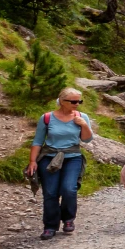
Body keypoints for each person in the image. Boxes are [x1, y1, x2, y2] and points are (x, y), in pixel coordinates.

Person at [26, 88, 93, 240]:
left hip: (73, 157)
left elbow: (87, 139)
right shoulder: (47, 118)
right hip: (49, 157)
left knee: (69, 189)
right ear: (62, 101)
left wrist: (84, 125)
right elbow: (37, 141)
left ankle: (68, 219)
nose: (77, 104)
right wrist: (32, 161)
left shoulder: (82, 117)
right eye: (74, 101)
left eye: (79, 101)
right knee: (50, 192)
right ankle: (50, 226)